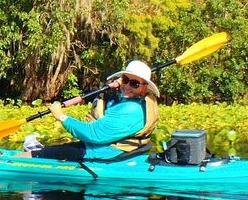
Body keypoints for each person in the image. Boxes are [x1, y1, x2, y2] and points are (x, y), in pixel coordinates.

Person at [22, 60, 160, 161]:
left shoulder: (131, 109)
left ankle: (13, 162)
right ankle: (35, 151)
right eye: (125, 79)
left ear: (145, 88)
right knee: (64, 147)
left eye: (135, 84)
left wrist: (62, 117)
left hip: (108, 151)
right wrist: (118, 83)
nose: (127, 86)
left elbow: (94, 133)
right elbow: (116, 95)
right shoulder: (135, 100)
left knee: (50, 153)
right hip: (113, 147)